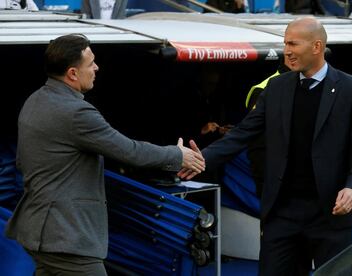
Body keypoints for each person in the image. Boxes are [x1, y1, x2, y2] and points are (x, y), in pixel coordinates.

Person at [180, 17, 352, 275]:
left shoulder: (351, 89)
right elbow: (242, 133)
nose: (287, 51)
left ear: (317, 46)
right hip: (283, 216)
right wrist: (201, 159)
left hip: (330, 216)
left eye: (293, 44)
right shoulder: (276, 87)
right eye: (285, 44)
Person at [5, 34, 205, 275]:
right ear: (72, 74)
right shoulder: (76, 113)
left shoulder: (34, 101)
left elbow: (22, 162)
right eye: (90, 63)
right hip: (67, 237)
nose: (97, 67)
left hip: (38, 231)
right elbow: (129, 151)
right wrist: (177, 155)